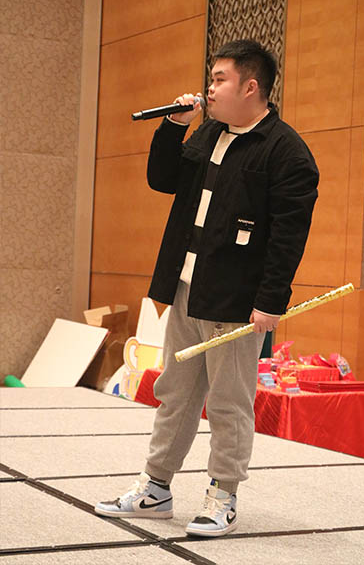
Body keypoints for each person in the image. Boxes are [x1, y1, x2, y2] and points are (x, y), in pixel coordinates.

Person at [95, 39, 319, 537]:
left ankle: (223, 496)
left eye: (220, 79)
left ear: (251, 87)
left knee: (227, 402)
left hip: (235, 300)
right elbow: (163, 179)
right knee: (175, 392)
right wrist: (174, 127)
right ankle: (155, 487)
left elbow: (289, 237)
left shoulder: (286, 152)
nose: (209, 89)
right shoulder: (209, 132)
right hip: (185, 288)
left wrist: (270, 301)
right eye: (211, 79)